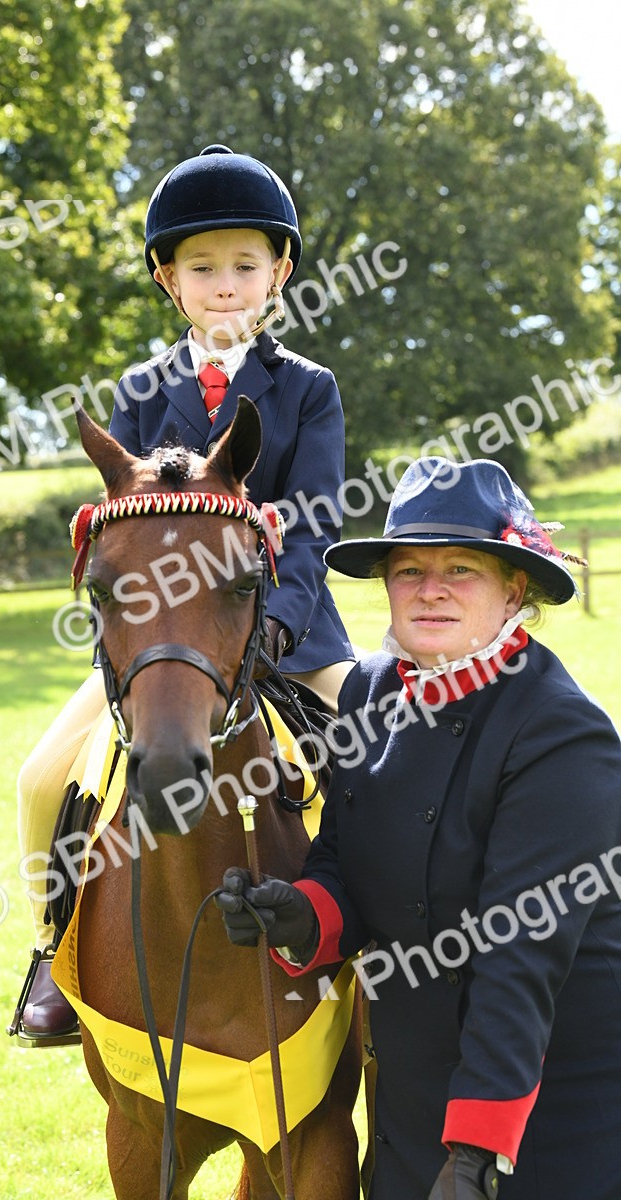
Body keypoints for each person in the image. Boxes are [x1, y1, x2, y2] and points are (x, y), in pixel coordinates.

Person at [13, 144, 358, 1041]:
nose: (226, 285)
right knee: (42, 777)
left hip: (292, 635)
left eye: (245, 266)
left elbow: (314, 523)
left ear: (279, 273)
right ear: (170, 280)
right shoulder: (137, 394)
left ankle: (389, 960)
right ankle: (54, 956)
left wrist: (278, 625)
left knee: (376, 754)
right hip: (165, 641)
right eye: (203, 268)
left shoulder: (309, 393)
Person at [216, 455, 621, 1199]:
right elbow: (344, 855)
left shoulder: (562, 734)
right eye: (408, 570)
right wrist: (303, 912)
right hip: (407, 1106)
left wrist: (474, 1154)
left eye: (461, 568)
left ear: (514, 590)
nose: (429, 589)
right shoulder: (370, 689)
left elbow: (519, 955)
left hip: (540, 1120)